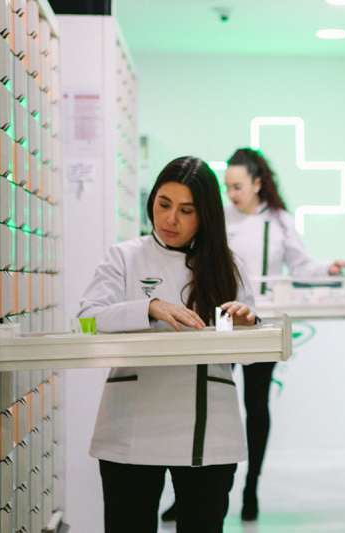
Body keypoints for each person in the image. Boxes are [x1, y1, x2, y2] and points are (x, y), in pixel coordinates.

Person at [162, 147, 345, 523]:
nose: (231, 194)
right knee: (209, 400)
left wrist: (327, 269)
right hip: (220, 321)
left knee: (256, 407)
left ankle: (251, 489)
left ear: (258, 183)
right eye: (228, 187)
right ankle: (191, 490)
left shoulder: (279, 221)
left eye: (237, 186)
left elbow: (300, 264)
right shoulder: (221, 220)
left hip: (260, 324)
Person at [79, 156, 257, 533]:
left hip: (206, 432)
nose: (170, 219)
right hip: (132, 426)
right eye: (164, 204)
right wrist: (148, 308)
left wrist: (241, 325)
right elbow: (87, 321)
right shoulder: (124, 257)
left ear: (205, 215)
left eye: (186, 210)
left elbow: (235, 351)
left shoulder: (226, 266)